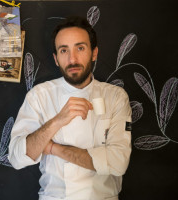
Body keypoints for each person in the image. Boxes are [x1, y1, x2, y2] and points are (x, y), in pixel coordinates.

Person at [8, 16, 132, 200]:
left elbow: (118, 162)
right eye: (63, 50)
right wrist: (57, 121)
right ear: (56, 59)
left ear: (94, 53)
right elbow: (17, 158)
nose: (72, 59)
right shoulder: (39, 95)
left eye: (80, 48)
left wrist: (53, 148)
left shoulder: (115, 97)